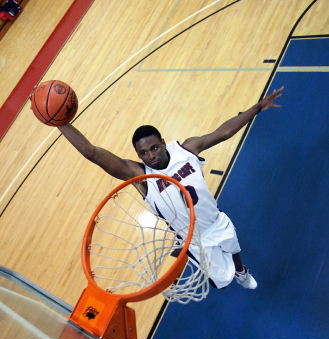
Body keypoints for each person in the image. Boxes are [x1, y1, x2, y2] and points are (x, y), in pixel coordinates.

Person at [42, 86, 284, 290]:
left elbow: (224, 131)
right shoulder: (139, 176)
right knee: (221, 277)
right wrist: (58, 123)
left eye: (154, 148)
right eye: (143, 153)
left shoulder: (187, 149)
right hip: (193, 240)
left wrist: (256, 108)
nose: (151, 156)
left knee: (234, 246)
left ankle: (241, 271)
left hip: (214, 220)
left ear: (163, 143)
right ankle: (224, 269)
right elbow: (91, 152)